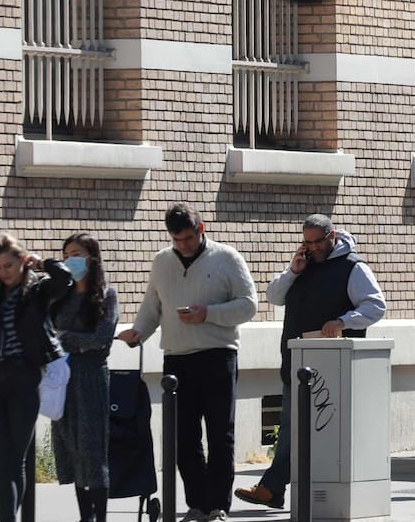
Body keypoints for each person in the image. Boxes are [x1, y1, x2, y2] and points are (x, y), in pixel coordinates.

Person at [234, 215, 386, 510]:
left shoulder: (352, 267)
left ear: (332, 237)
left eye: (319, 242)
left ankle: (273, 487)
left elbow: (375, 305)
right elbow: (274, 296)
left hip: (334, 366)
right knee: (293, 425)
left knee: (301, 427)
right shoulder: (303, 265)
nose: (314, 248)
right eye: (308, 242)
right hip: (297, 360)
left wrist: (343, 321)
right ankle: (274, 488)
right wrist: (293, 270)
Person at [117, 204, 257, 522]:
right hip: (177, 359)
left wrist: (208, 313)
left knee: (220, 435)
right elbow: (152, 305)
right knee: (183, 438)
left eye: (189, 238)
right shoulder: (162, 262)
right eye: (177, 239)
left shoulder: (227, 258)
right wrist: (139, 331)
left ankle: (218, 505)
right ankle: (197, 504)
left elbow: (249, 305)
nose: (183, 245)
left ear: (201, 229)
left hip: (217, 355)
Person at [0, 234, 72, 522]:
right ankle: (7, 519)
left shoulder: (37, 291)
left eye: (9, 265)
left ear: (21, 262)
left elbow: (65, 281)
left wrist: (42, 262)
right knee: (1, 460)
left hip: (24, 382)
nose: (4, 272)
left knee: (16, 459)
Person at [52, 233, 119, 522]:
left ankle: (99, 516)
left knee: (93, 450)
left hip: (91, 377)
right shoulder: (60, 294)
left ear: (92, 257)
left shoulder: (106, 294)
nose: (70, 260)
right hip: (62, 376)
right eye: (67, 254)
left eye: (77, 254)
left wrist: (66, 339)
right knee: (72, 449)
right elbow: (49, 332)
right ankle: (84, 516)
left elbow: (102, 339)